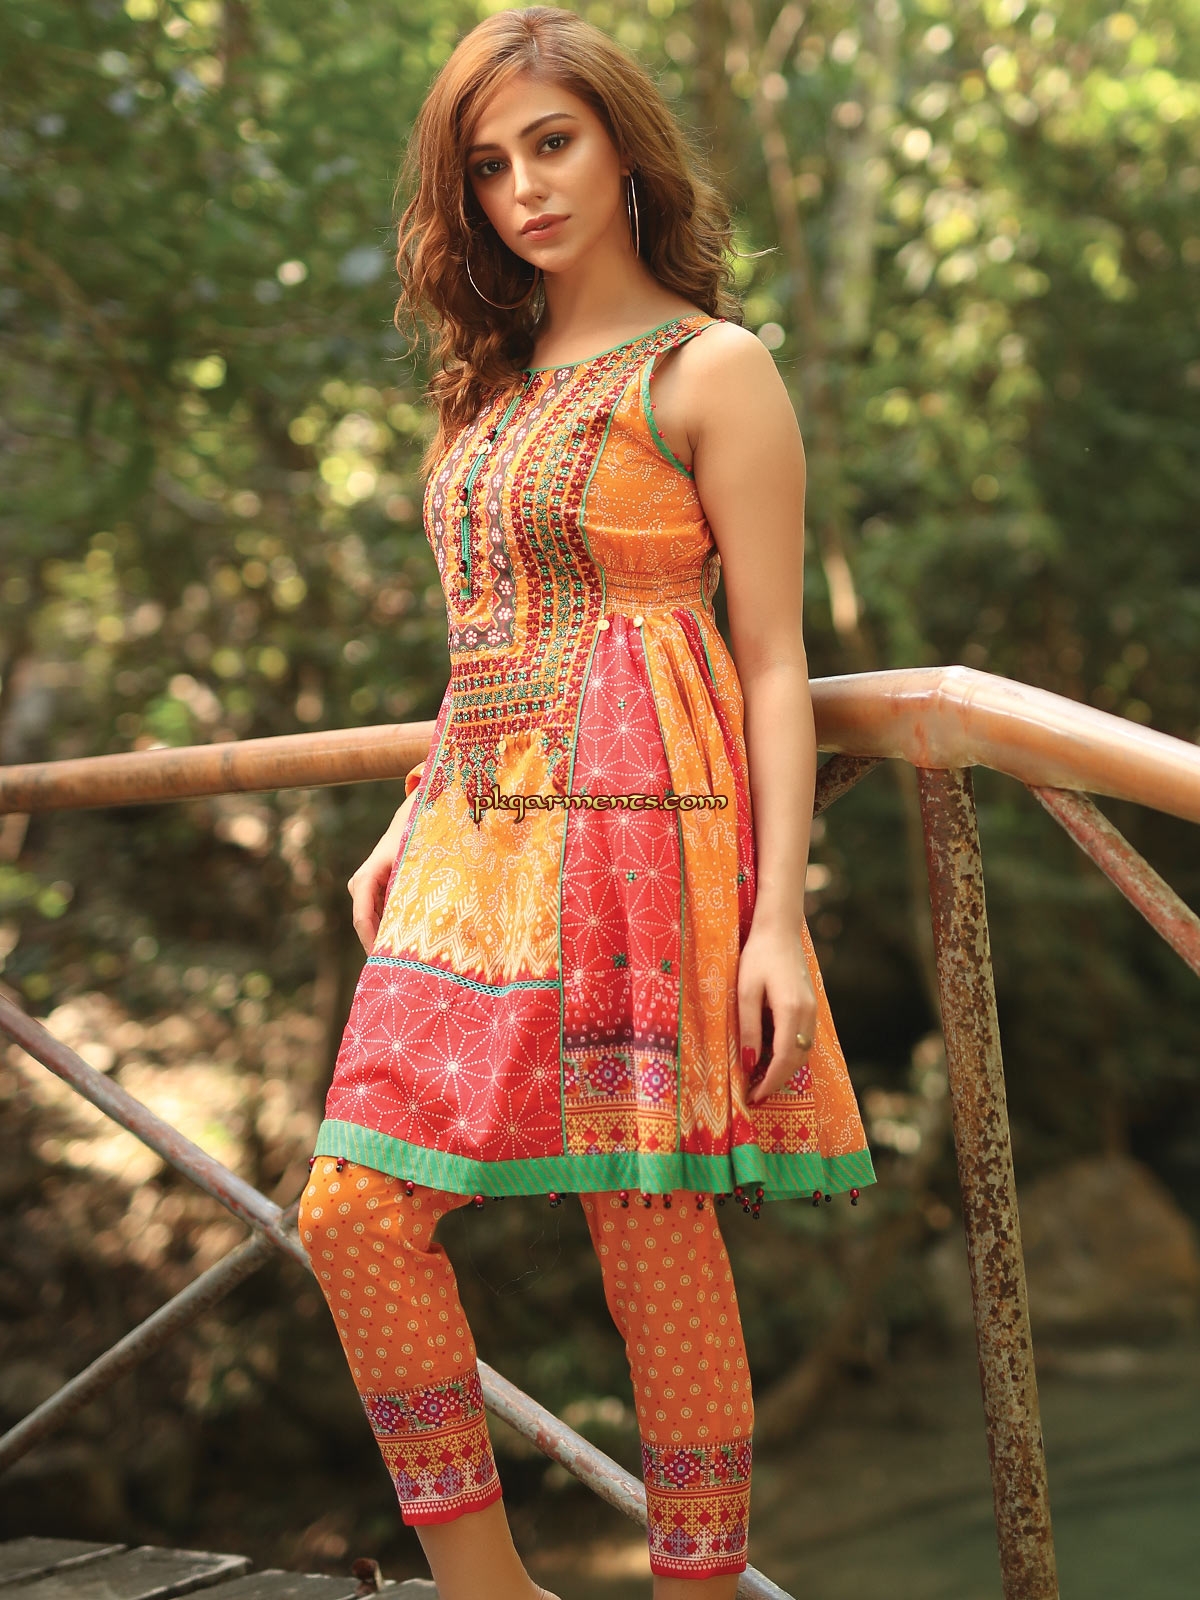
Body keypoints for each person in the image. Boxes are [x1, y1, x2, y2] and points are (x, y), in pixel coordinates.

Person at [297, 9, 876, 1599]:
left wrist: (777, 920)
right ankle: (489, 1587)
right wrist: (409, 812)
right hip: (475, 840)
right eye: (489, 168)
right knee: (353, 1214)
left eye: (551, 144)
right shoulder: (486, 385)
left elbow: (774, 659)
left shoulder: (711, 368)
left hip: (642, 829)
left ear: (623, 146)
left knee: (651, 1226)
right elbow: (489, 633)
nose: (525, 190)